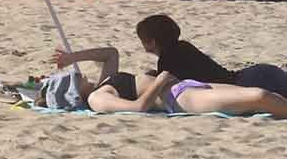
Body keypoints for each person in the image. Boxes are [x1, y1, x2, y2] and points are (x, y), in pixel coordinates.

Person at [45, 46, 287, 116]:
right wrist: (160, 81)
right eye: (73, 78)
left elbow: (110, 53)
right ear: (73, 93)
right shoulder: (98, 99)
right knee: (259, 97)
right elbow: (138, 108)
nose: (77, 73)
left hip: (183, 85)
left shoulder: (102, 83)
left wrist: (71, 57)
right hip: (178, 98)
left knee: (259, 94)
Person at [136, 14, 287, 96]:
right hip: (254, 75)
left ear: (152, 42)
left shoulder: (167, 59)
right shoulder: (183, 47)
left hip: (248, 83)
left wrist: (154, 77)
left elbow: (171, 87)